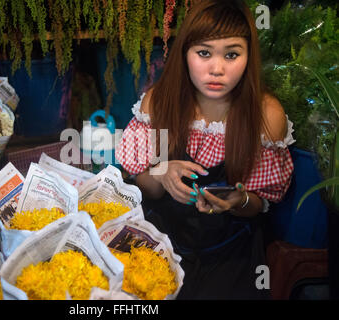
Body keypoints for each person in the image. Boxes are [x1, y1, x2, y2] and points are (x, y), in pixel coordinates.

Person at [115, 0, 295, 299]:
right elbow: (151, 192)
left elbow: (259, 205)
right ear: (185, 53)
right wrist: (161, 173)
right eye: (204, 53)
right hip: (165, 245)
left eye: (232, 54)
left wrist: (239, 200)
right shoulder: (160, 104)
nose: (217, 69)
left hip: (232, 251)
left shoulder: (265, 116)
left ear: (249, 57)